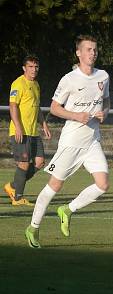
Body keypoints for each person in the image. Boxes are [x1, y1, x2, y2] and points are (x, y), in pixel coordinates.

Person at [24, 35, 111, 248]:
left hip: (92, 141)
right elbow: (54, 107)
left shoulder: (103, 76)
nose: (92, 53)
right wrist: (76, 115)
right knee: (55, 185)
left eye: (95, 50)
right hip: (71, 142)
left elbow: (106, 101)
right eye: (88, 49)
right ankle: (33, 227)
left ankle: (68, 209)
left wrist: (104, 113)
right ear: (79, 53)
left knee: (103, 184)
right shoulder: (69, 79)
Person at [5, 55, 51, 206]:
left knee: (39, 162)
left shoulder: (36, 85)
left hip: (33, 132)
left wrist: (44, 124)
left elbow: (37, 108)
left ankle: (12, 186)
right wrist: (18, 126)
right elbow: (13, 106)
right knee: (24, 164)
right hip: (21, 131)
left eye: (36, 67)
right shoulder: (18, 83)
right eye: (30, 66)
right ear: (24, 68)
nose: (34, 69)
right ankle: (17, 198)